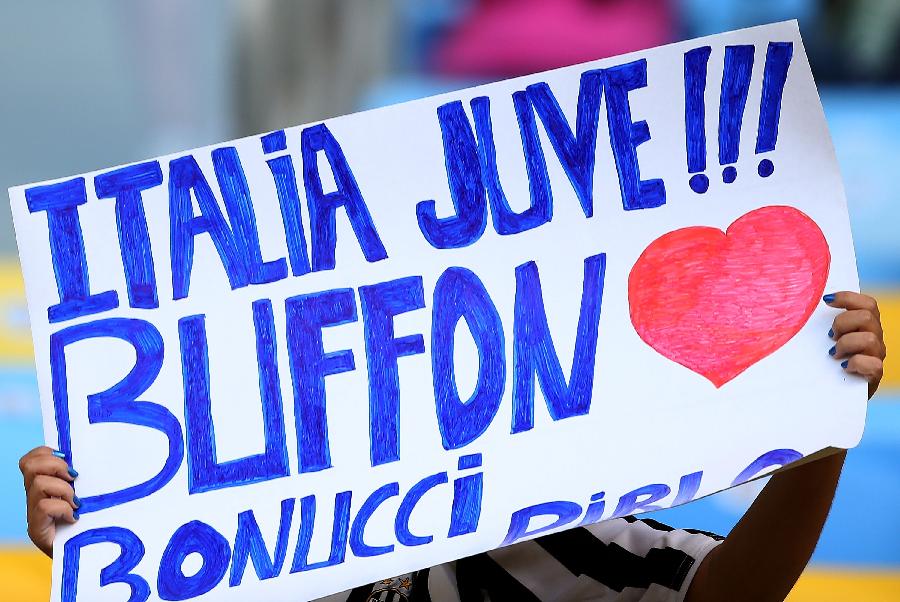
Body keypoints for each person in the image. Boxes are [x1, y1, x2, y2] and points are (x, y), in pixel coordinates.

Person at [20, 292, 886, 601]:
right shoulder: (240, 556)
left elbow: (726, 594)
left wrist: (821, 435)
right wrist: (99, 537)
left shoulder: (550, 544)